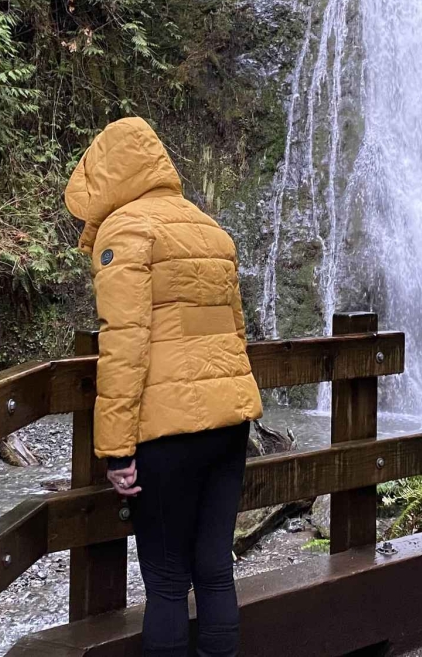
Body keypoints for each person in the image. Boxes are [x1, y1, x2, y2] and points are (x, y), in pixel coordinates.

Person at [64, 116, 263, 657]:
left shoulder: (127, 231)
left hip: (167, 434)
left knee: (168, 581)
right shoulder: (209, 228)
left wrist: (116, 449)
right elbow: (235, 333)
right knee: (215, 571)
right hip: (228, 425)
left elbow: (124, 344)